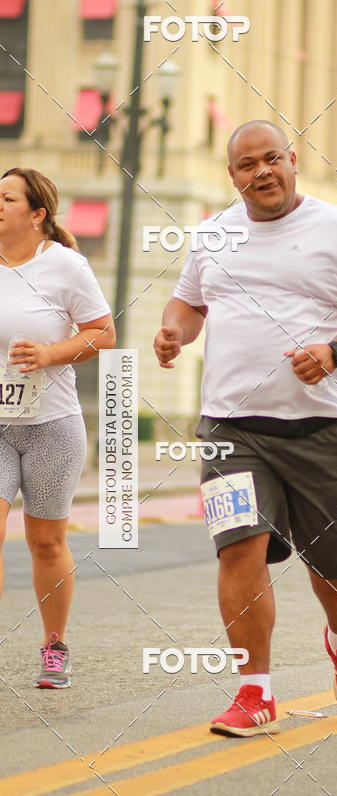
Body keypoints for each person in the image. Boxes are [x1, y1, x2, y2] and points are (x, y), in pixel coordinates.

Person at [153, 120, 337, 737]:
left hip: (322, 427)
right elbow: (189, 302)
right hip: (231, 428)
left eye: (272, 159)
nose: (262, 172)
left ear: (293, 162)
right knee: (238, 546)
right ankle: (254, 691)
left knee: (331, 562)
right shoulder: (214, 234)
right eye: (247, 164)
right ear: (232, 175)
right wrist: (174, 333)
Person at [0, 168, 115, 688]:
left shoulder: (65, 266)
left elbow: (102, 334)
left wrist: (48, 353)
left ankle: (53, 645)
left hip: (52, 425)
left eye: (6, 198)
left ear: (36, 213)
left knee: (45, 542)